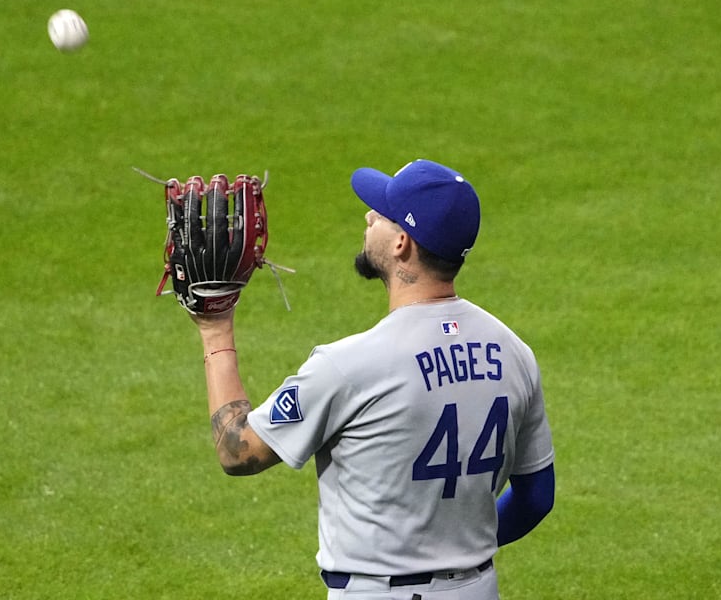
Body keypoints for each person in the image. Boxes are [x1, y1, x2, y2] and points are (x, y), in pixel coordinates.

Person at [192, 159, 556, 600]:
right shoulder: (514, 352)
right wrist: (459, 552)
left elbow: (238, 450)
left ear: (402, 243)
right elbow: (536, 498)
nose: (368, 216)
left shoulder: (348, 365)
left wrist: (215, 327)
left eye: (381, 213)